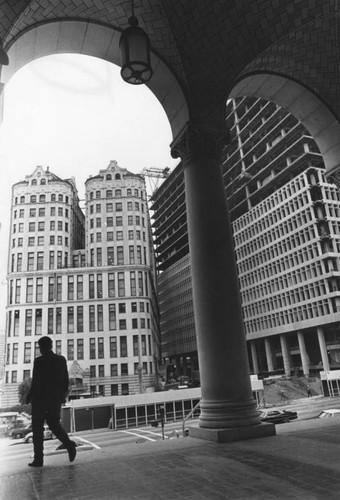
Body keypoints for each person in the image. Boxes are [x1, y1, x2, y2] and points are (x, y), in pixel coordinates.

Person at [26, 336, 77, 467]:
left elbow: (36, 381)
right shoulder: (60, 360)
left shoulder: (38, 361)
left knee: (37, 429)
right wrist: (62, 396)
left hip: (39, 399)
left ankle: (39, 459)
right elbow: (65, 380)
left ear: (41, 347)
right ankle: (69, 445)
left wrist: (29, 396)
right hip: (54, 399)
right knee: (54, 424)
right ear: (51, 345)